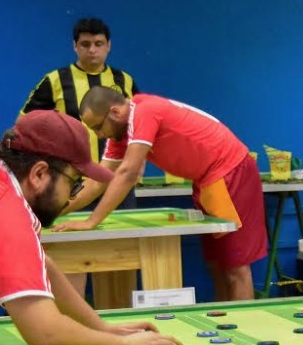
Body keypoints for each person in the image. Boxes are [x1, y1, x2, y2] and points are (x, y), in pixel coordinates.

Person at [0, 111, 184, 345]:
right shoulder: (5, 215)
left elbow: (38, 262)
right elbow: (47, 335)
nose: (72, 197)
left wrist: (100, 328)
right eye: (74, 183)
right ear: (39, 174)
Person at [52, 88, 267, 302]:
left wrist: (92, 221)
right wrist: (53, 213)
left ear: (115, 112)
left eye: (98, 127)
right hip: (207, 181)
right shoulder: (122, 132)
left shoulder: (145, 112)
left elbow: (128, 173)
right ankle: (224, 324)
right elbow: (98, 180)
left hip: (230, 171)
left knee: (235, 268)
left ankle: (240, 327)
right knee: (217, 266)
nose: (99, 135)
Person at [22, 17, 141, 163]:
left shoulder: (124, 80)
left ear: (108, 45)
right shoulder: (55, 80)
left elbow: (139, 123)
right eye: (85, 44)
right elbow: (24, 124)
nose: (92, 50)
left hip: (117, 174)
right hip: (72, 177)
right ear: (75, 46)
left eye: (99, 44)